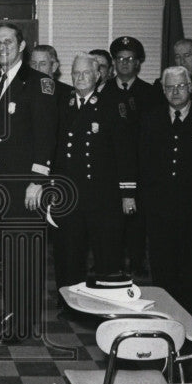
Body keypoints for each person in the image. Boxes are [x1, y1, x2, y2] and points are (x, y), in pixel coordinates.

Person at [0, 23, 58, 343]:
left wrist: (38, 181)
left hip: (24, 188)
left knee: (25, 259)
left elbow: (46, 136)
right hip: (1, 188)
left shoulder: (38, 83)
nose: (2, 47)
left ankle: (24, 324)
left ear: (22, 46)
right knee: (8, 258)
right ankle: (12, 315)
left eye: (8, 42)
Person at [138, 66, 192, 317]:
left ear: (191, 87)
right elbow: (143, 162)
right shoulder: (151, 117)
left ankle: (189, 315)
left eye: (180, 86)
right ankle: (165, 313)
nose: (175, 92)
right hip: (160, 206)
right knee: (162, 262)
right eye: (169, 87)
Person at [52, 54, 136, 303]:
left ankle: (107, 301)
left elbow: (126, 152)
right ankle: (70, 300)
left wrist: (127, 193)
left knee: (107, 254)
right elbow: (55, 151)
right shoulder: (62, 104)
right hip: (70, 195)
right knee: (69, 252)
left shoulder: (112, 104)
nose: (80, 78)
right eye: (76, 73)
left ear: (98, 75)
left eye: (86, 73)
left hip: (103, 196)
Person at [106, 36, 156, 274]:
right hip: (110, 168)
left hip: (142, 166)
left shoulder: (150, 93)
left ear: (138, 63)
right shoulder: (103, 91)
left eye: (130, 59)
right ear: (114, 62)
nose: (124, 63)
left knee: (138, 220)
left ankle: (137, 261)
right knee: (111, 220)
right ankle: (109, 261)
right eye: (120, 59)